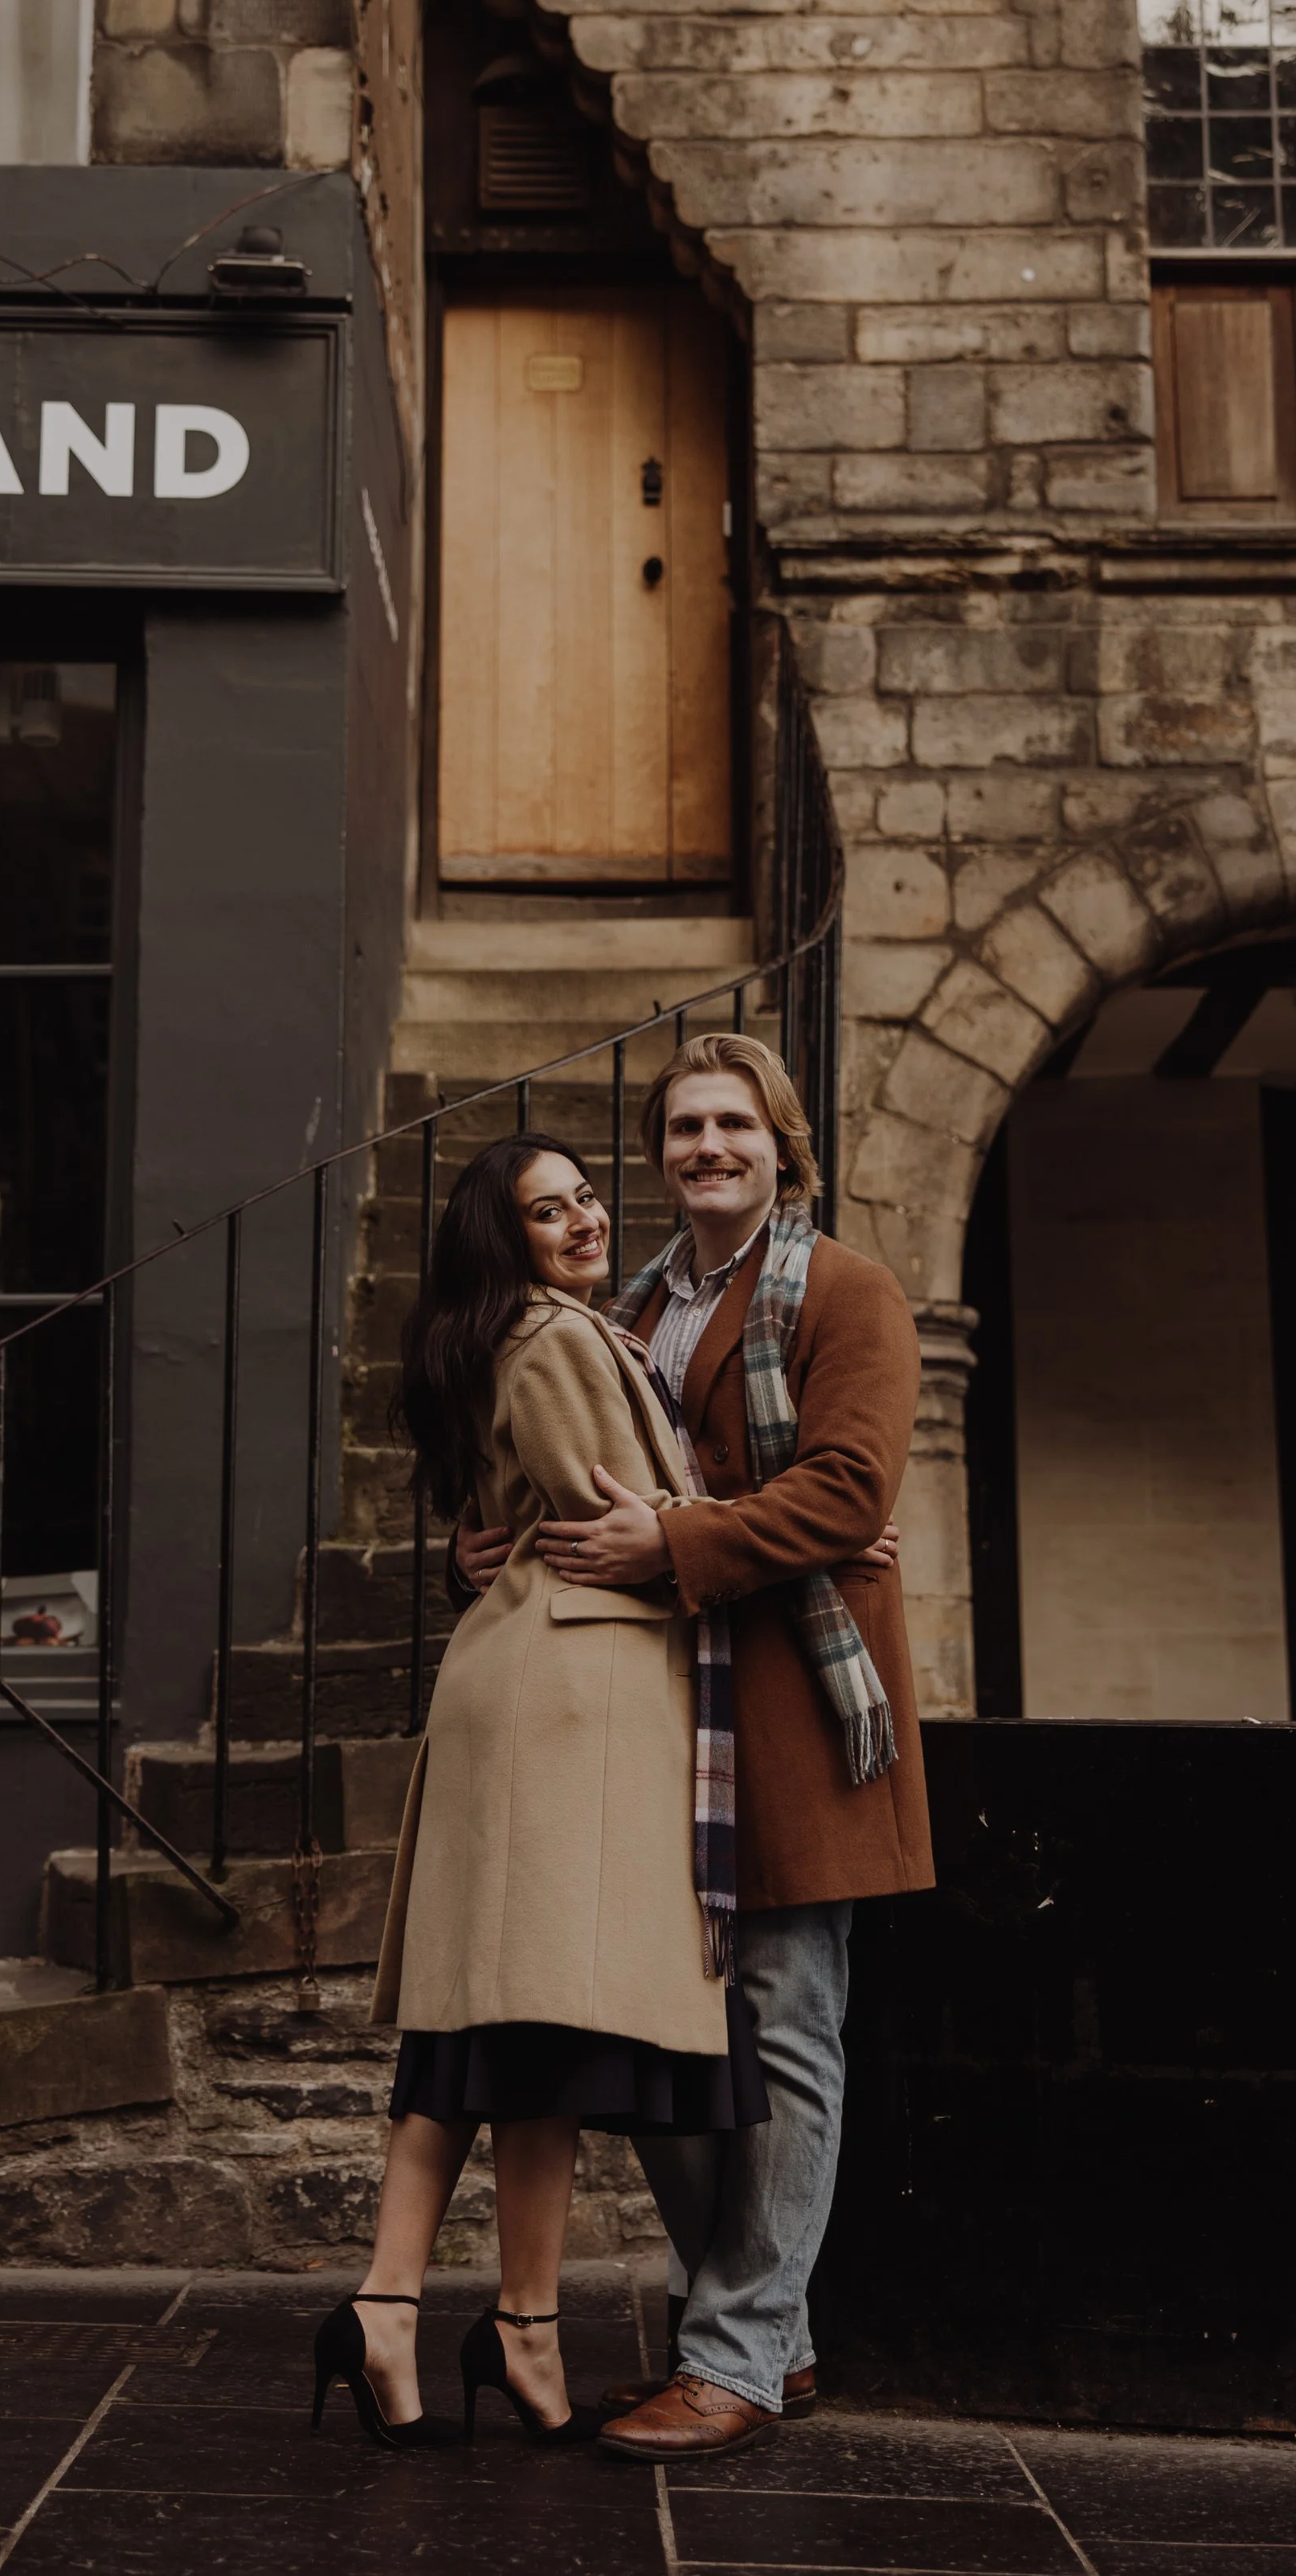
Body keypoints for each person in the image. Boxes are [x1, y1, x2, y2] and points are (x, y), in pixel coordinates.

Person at [456, 1034, 932, 2459]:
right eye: (683, 1127)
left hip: (793, 1711)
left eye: (734, 1122)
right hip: (657, 1715)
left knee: (786, 2029)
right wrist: (483, 1546)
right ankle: (771, 2334)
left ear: (784, 1145)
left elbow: (848, 1489)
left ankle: (733, 2350)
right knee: (656, 2037)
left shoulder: (846, 1289)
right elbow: (571, 1486)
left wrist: (679, 1538)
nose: (707, 1146)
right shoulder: (633, 1304)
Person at [313, 1132, 767, 2452]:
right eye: (547, 1209)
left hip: (542, 1689)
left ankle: (489, 2320)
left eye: (584, 1197)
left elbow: (517, 1515)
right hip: (567, 1702)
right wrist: (774, 1529)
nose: (582, 1220)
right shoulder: (559, 1336)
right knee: (514, 2026)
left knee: (513, 2031)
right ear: (502, 1237)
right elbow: (620, 1509)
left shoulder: (510, 1334)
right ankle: (440, 2312)